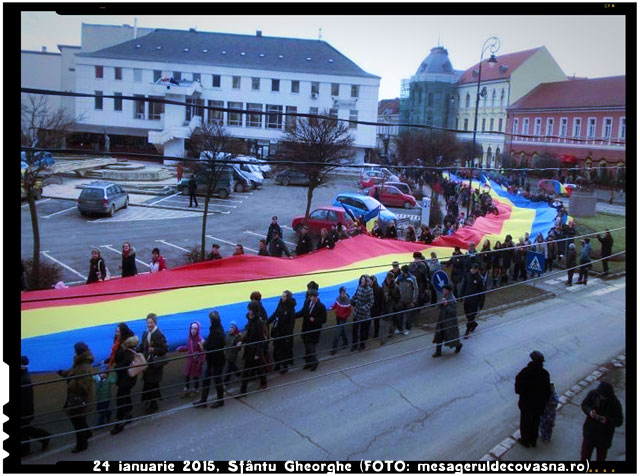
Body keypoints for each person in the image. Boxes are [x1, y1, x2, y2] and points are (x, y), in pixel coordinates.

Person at [58, 342, 94, 453]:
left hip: (80, 399)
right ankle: (87, 434)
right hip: (80, 399)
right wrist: (63, 373)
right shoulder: (81, 362)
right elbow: (73, 372)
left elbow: (82, 385)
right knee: (80, 420)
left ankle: (82, 445)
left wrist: (70, 383)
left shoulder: (83, 366)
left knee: (77, 421)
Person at [514, 350, 551, 448]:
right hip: (539, 404)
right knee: (536, 421)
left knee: (525, 421)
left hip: (526, 403)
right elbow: (548, 391)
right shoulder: (545, 374)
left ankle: (525, 440)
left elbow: (517, 389)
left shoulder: (525, 372)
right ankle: (533, 440)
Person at [579, 381, 623, 461]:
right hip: (590, 433)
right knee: (585, 456)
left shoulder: (615, 403)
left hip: (604, 437)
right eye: (600, 396)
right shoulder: (593, 394)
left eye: (603, 396)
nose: (601, 397)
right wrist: (590, 412)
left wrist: (607, 420)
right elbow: (584, 405)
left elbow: (619, 421)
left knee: (601, 458)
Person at [136, 313, 168, 415]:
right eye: (148, 322)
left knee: (153, 384)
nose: (149, 325)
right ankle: (149, 402)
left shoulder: (158, 334)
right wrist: (136, 350)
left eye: (151, 323)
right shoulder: (145, 333)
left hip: (155, 365)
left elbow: (164, 349)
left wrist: (154, 349)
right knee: (147, 383)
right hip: (147, 363)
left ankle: (153, 404)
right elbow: (142, 345)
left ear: (155, 323)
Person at [193, 311, 226, 408]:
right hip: (215, 358)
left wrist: (204, 345)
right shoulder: (217, 329)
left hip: (216, 358)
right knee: (209, 379)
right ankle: (205, 400)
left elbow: (213, 345)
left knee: (216, 379)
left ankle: (218, 400)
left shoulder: (216, 331)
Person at [21, 356, 50, 456]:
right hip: (26, 408)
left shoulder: (23, 378)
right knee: (25, 428)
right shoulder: (24, 375)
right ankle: (44, 436)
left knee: (23, 429)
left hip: (24, 409)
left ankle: (25, 450)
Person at [237, 304, 268, 395]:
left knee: (250, 369)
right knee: (255, 368)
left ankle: (243, 391)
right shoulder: (251, 321)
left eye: (250, 310)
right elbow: (248, 334)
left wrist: (258, 353)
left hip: (254, 350)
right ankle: (261, 383)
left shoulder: (258, 322)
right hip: (250, 349)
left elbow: (260, 338)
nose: (249, 311)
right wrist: (242, 341)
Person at [296, 289, 327, 371]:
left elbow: (324, 320)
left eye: (314, 297)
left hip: (314, 331)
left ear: (317, 297)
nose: (312, 298)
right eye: (311, 296)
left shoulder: (321, 306)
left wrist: (315, 320)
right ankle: (308, 362)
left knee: (311, 347)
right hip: (306, 329)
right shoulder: (307, 303)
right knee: (307, 347)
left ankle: (314, 362)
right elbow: (303, 312)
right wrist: (293, 315)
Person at [269, 290, 297, 373]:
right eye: (282, 296)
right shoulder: (280, 303)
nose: (282, 297)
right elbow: (275, 313)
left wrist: (288, 335)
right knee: (276, 349)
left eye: (284, 296)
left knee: (283, 350)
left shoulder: (291, 309)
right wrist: (268, 321)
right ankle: (277, 365)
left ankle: (284, 366)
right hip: (278, 330)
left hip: (284, 332)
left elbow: (291, 323)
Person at [432, 284, 462, 357]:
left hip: (449, 322)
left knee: (451, 337)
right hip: (442, 319)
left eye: (445, 290)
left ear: (448, 291)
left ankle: (458, 345)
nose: (443, 291)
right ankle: (438, 352)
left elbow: (453, 312)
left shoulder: (452, 299)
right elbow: (438, 306)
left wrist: (447, 305)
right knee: (439, 335)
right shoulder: (443, 296)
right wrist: (440, 303)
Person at [176, 321, 205, 397]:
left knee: (195, 376)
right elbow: (188, 347)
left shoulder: (200, 339)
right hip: (189, 360)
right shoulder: (190, 338)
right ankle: (186, 389)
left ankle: (196, 389)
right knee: (187, 375)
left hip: (196, 361)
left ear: (198, 329)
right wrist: (181, 348)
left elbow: (203, 352)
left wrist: (199, 360)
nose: (193, 330)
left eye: (195, 328)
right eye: (192, 328)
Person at [351, 275, 374, 351]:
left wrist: (364, 308)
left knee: (362, 331)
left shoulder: (369, 290)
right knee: (355, 330)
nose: (361, 281)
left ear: (366, 281)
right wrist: (352, 300)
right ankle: (354, 345)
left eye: (363, 280)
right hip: (357, 312)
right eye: (361, 280)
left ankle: (362, 344)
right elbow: (355, 295)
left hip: (364, 314)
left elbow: (371, 302)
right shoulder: (359, 287)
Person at [461, 263, 485, 338]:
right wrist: (461, 295)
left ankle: (467, 331)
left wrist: (481, 303)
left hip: (474, 301)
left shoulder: (479, 278)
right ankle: (474, 324)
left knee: (471, 316)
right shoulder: (467, 275)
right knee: (467, 314)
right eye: (472, 268)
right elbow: (464, 285)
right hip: (467, 299)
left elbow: (482, 292)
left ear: (477, 269)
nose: (473, 270)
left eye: (474, 269)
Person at [396, 265, 418, 335]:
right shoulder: (399, 278)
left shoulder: (412, 278)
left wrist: (414, 301)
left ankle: (407, 329)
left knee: (409, 316)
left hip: (409, 300)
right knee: (399, 315)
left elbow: (416, 290)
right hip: (401, 300)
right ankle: (400, 329)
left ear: (403, 271)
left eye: (401, 270)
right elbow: (395, 285)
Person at [380, 272, 401, 345]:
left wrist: (390, 295)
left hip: (391, 306)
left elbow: (398, 297)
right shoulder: (383, 285)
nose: (388, 280)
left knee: (387, 322)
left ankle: (383, 339)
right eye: (388, 278)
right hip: (384, 306)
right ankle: (391, 331)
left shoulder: (395, 287)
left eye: (390, 279)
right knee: (386, 322)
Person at [329, 286, 352, 354]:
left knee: (337, 333)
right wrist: (331, 307)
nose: (343, 294)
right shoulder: (338, 299)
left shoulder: (347, 301)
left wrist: (343, 316)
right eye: (342, 292)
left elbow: (349, 312)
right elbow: (336, 305)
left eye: (344, 292)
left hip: (343, 319)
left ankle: (334, 349)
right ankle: (345, 342)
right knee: (341, 330)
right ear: (340, 293)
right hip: (338, 317)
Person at [369, 275, 384, 339]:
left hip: (376, 308)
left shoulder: (378, 289)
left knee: (376, 322)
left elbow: (382, 300)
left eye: (370, 281)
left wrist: (381, 309)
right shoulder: (369, 289)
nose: (369, 282)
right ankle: (374, 333)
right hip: (372, 308)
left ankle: (376, 334)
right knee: (372, 321)